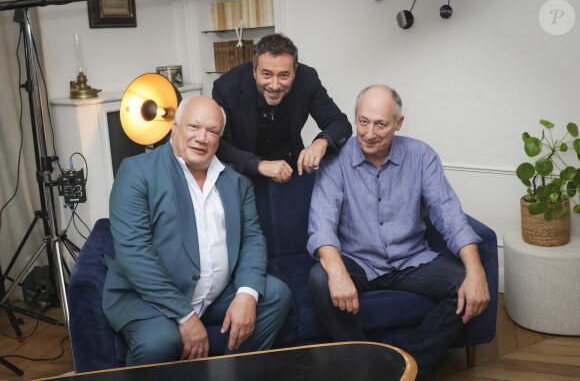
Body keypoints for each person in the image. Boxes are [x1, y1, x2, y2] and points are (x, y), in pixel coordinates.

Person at [307, 85, 490, 377]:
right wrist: (337, 271)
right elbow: (322, 223)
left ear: (398, 123)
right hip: (359, 261)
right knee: (320, 277)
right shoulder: (335, 159)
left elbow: (449, 214)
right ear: (355, 119)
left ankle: (408, 368)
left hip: (411, 260)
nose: (369, 133)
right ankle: (363, 366)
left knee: (464, 285)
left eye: (381, 124)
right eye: (363, 121)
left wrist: (476, 270)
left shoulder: (421, 155)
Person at [102, 96, 292, 366]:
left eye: (213, 131)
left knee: (275, 295)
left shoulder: (237, 181)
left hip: (215, 296)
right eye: (193, 127)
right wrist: (185, 316)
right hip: (149, 297)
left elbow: (252, 240)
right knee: (159, 341)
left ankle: (234, 373)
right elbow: (135, 252)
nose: (202, 138)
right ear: (174, 127)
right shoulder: (136, 172)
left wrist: (246, 295)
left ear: (219, 138)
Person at [212, 33, 352, 183]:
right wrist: (257, 164)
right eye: (266, 74)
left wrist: (321, 142)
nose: (274, 85)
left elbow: (339, 122)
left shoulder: (307, 79)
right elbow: (215, 142)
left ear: (295, 72)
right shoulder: (226, 87)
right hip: (242, 173)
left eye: (283, 75)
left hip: (291, 169)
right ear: (254, 71)